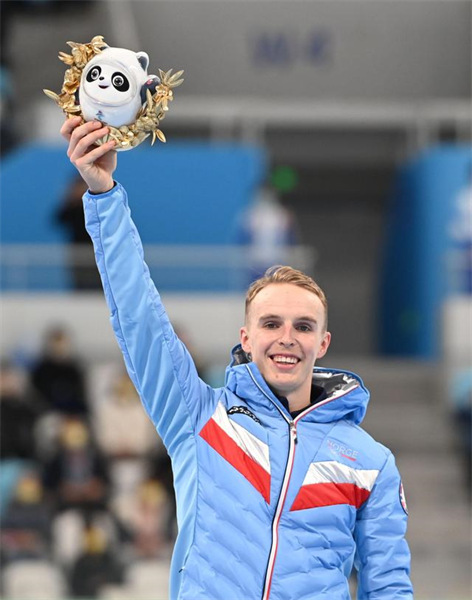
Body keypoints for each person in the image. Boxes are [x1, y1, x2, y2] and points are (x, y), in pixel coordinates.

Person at [61, 117, 413, 600]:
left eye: (303, 326)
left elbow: (390, 586)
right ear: (246, 338)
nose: (286, 338)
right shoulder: (200, 418)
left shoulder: (370, 464)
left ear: (323, 343)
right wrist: (104, 197)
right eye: (271, 324)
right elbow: (140, 319)